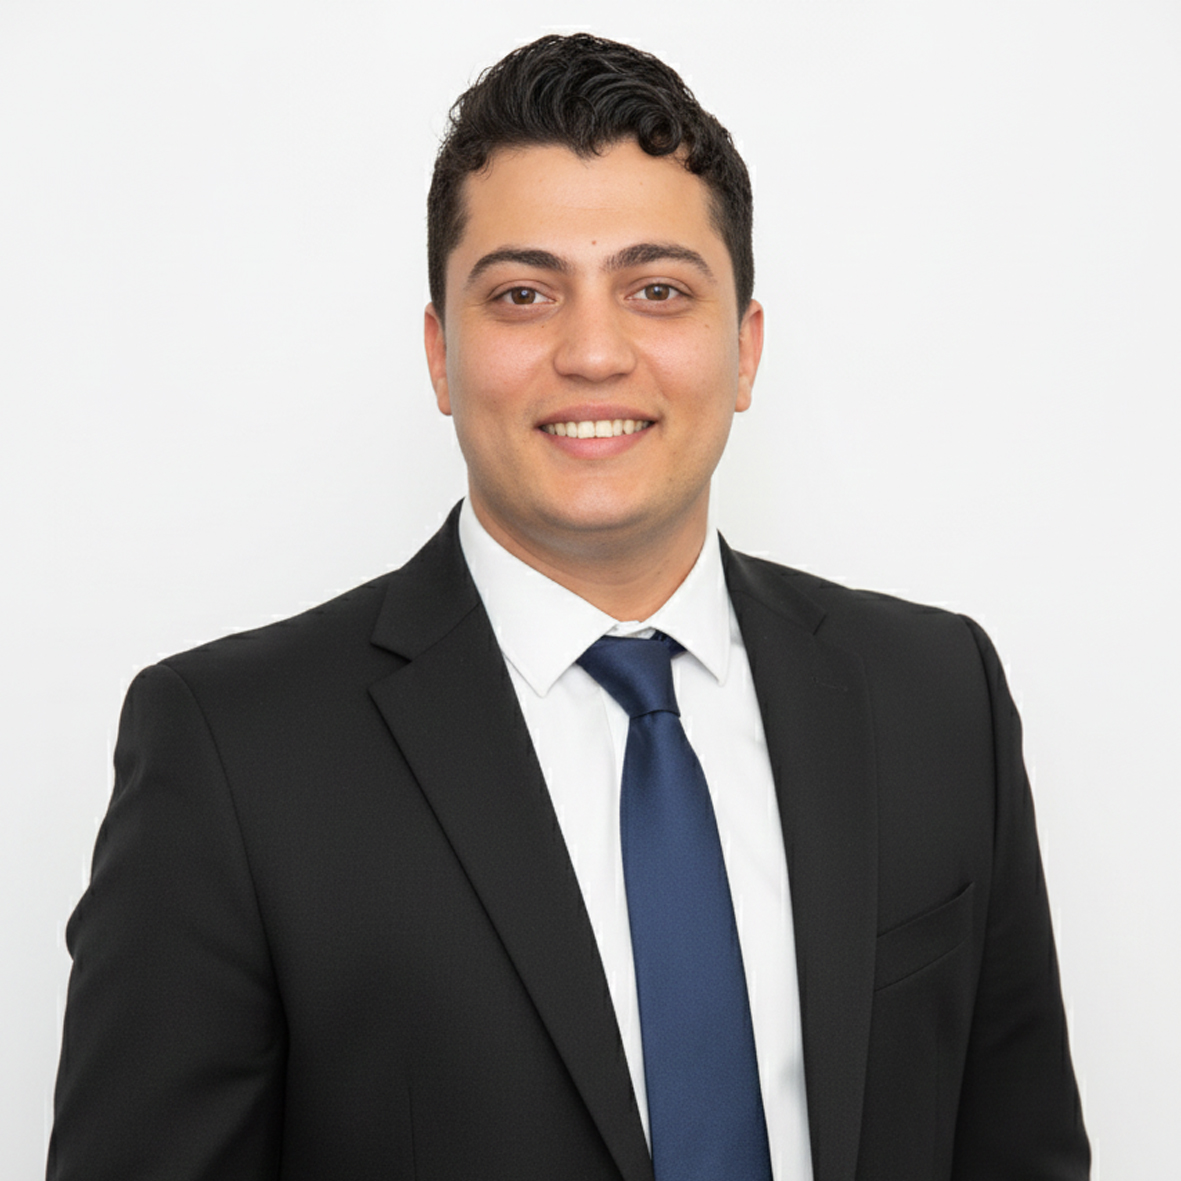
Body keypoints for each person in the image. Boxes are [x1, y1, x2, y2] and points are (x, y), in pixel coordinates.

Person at [47, 33, 1090, 1181]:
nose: (593, 351)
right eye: (522, 294)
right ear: (440, 354)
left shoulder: (934, 695)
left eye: (656, 290)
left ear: (743, 350)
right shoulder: (233, 751)